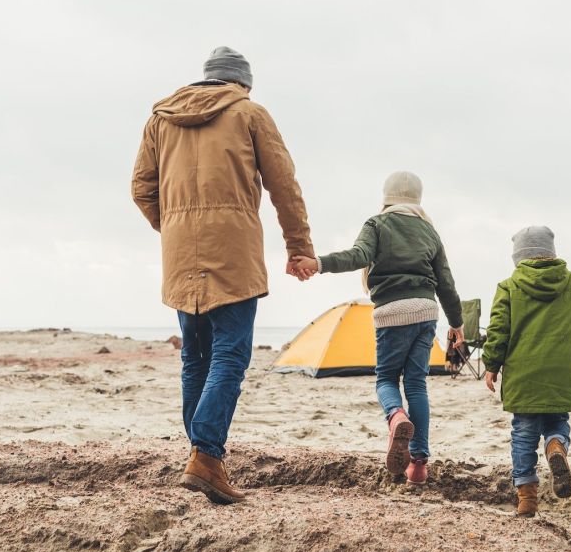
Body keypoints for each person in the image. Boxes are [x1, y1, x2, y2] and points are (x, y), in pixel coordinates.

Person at [131, 46, 314, 504]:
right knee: (230, 355)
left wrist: (173, 225)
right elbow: (284, 186)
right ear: (242, 85)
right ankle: (207, 456)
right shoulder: (250, 113)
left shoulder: (160, 119)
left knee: (195, 358)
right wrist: (299, 248)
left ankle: (202, 456)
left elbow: (141, 188)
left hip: (179, 256)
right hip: (233, 253)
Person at [290, 172, 463, 486]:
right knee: (417, 385)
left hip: (391, 313)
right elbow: (446, 284)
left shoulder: (377, 224)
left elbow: (358, 257)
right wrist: (457, 324)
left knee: (385, 378)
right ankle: (419, 466)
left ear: (387, 196)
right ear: (417, 198)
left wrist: (318, 263)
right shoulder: (430, 231)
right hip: (425, 311)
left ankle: (396, 415)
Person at [482, 226, 571, 517]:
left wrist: (491, 365)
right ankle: (556, 446)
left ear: (518, 257)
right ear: (551, 253)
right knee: (557, 422)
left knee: (523, 434)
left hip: (523, 376)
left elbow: (498, 330)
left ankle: (527, 498)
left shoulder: (508, 287)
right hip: (561, 375)